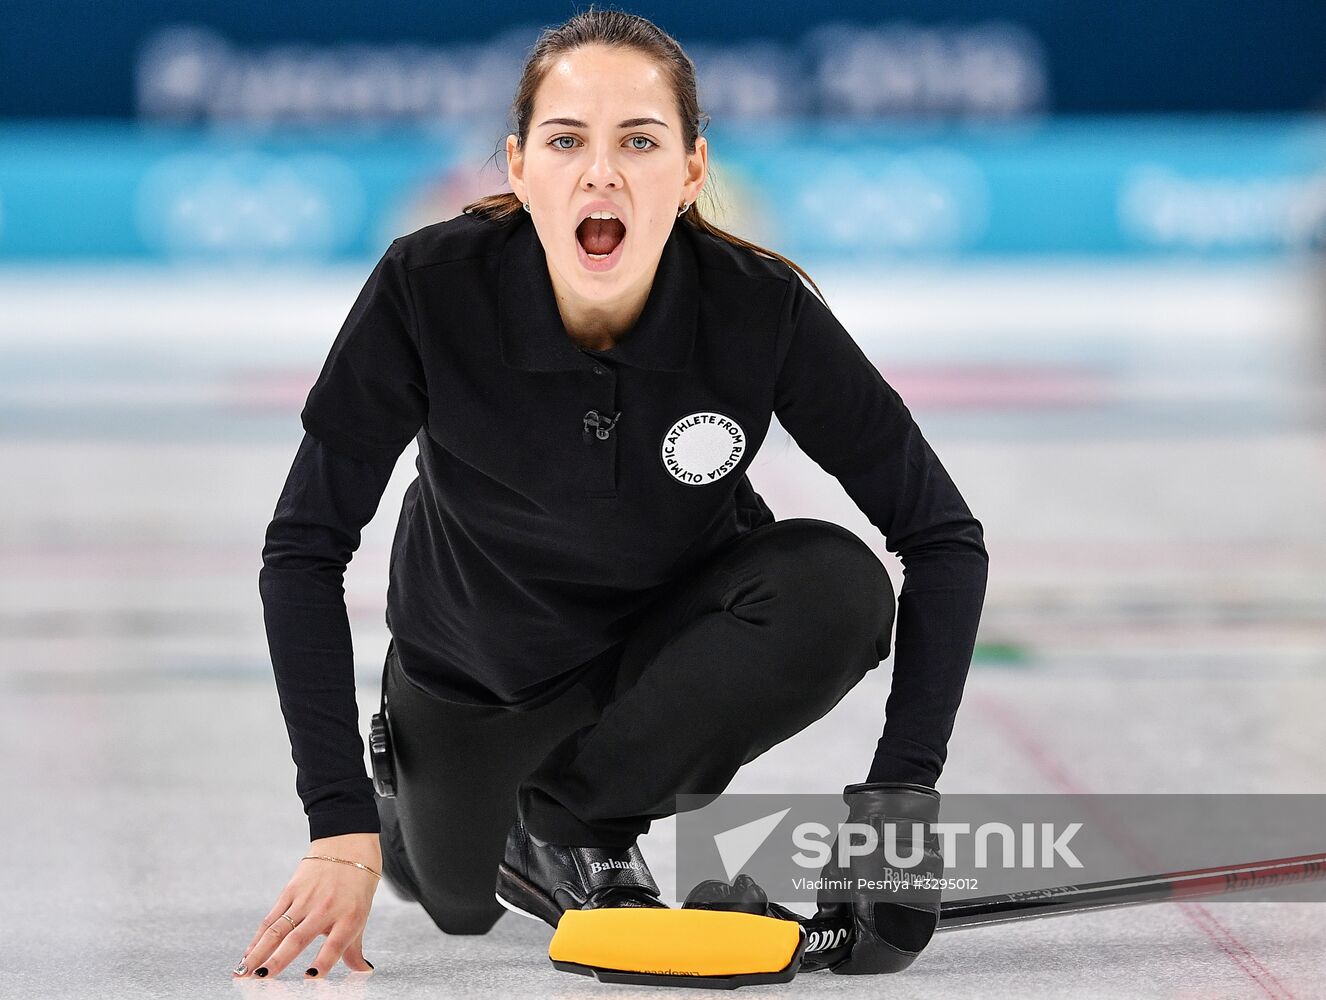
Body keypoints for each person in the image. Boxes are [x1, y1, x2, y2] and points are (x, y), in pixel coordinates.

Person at [233, 7, 988, 982]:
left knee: (835, 587)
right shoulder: (428, 288)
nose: (602, 171)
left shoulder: (759, 307)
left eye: (640, 140)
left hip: (658, 660)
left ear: (691, 170)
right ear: (516, 166)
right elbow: (303, 549)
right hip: (475, 678)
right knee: (456, 899)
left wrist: (899, 805)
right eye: (566, 140)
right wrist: (338, 824)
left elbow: (941, 536)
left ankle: (578, 820)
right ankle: (416, 801)